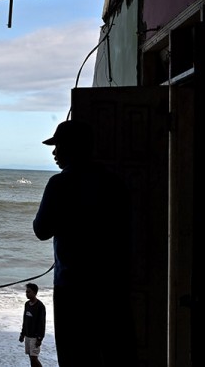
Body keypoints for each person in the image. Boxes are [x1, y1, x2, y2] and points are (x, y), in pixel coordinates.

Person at [32, 119, 136, 367]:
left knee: (75, 355)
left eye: (58, 146)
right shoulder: (115, 183)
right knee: (114, 354)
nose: (54, 152)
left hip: (73, 287)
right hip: (113, 285)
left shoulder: (60, 183)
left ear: (71, 147)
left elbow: (41, 230)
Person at [19, 282, 46, 367]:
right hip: (27, 335)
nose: (26, 294)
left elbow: (42, 323)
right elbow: (25, 320)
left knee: (34, 358)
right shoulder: (27, 304)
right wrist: (22, 334)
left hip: (35, 336)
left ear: (34, 293)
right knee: (31, 357)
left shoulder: (40, 306)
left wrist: (39, 338)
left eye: (28, 292)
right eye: (26, 292)